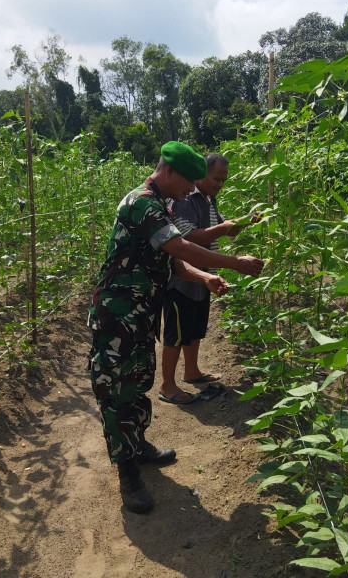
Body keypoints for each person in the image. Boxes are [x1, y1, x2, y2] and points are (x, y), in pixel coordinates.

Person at [87, 141, 263, 514]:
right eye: (188, 182)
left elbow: (174, 263)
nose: (191, 190)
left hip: (140, 313)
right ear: (168, 171)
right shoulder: (141, 203)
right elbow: (179, 246)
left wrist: (204, 278)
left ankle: (139, 446)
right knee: (117, 390)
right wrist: (232, 263)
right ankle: (127, 471)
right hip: (118, 314)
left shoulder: (163, 204)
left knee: (137, 382)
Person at [159, 153, 259, 404]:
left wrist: (244, 223)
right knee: (176, 333)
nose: (220, 184)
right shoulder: (185, 198)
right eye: (216, 179)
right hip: (182, 278)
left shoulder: (208, 199)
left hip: (204, 276)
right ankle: (166, 385)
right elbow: (188, 238)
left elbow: (223, 228)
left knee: (195, 328)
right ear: (201, 173)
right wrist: (226, 234)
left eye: (224, 181)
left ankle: (191, 371)